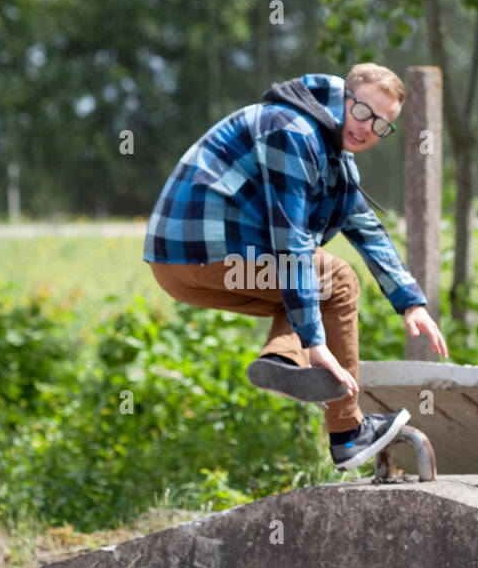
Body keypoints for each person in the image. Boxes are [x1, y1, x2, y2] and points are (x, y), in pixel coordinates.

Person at [144, 63, 448, 471]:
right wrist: (316, 342)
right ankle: (347, 432)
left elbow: (369, 233)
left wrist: (411, 302)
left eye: (381, 125)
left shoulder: (338, 163)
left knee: (314, 284)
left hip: (193, 269)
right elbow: (292, 242)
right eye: (362, 112)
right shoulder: (293, 131)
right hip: (203, 251)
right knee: (336, 278)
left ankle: (283, 359)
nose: (367, 128)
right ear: (344, 99)